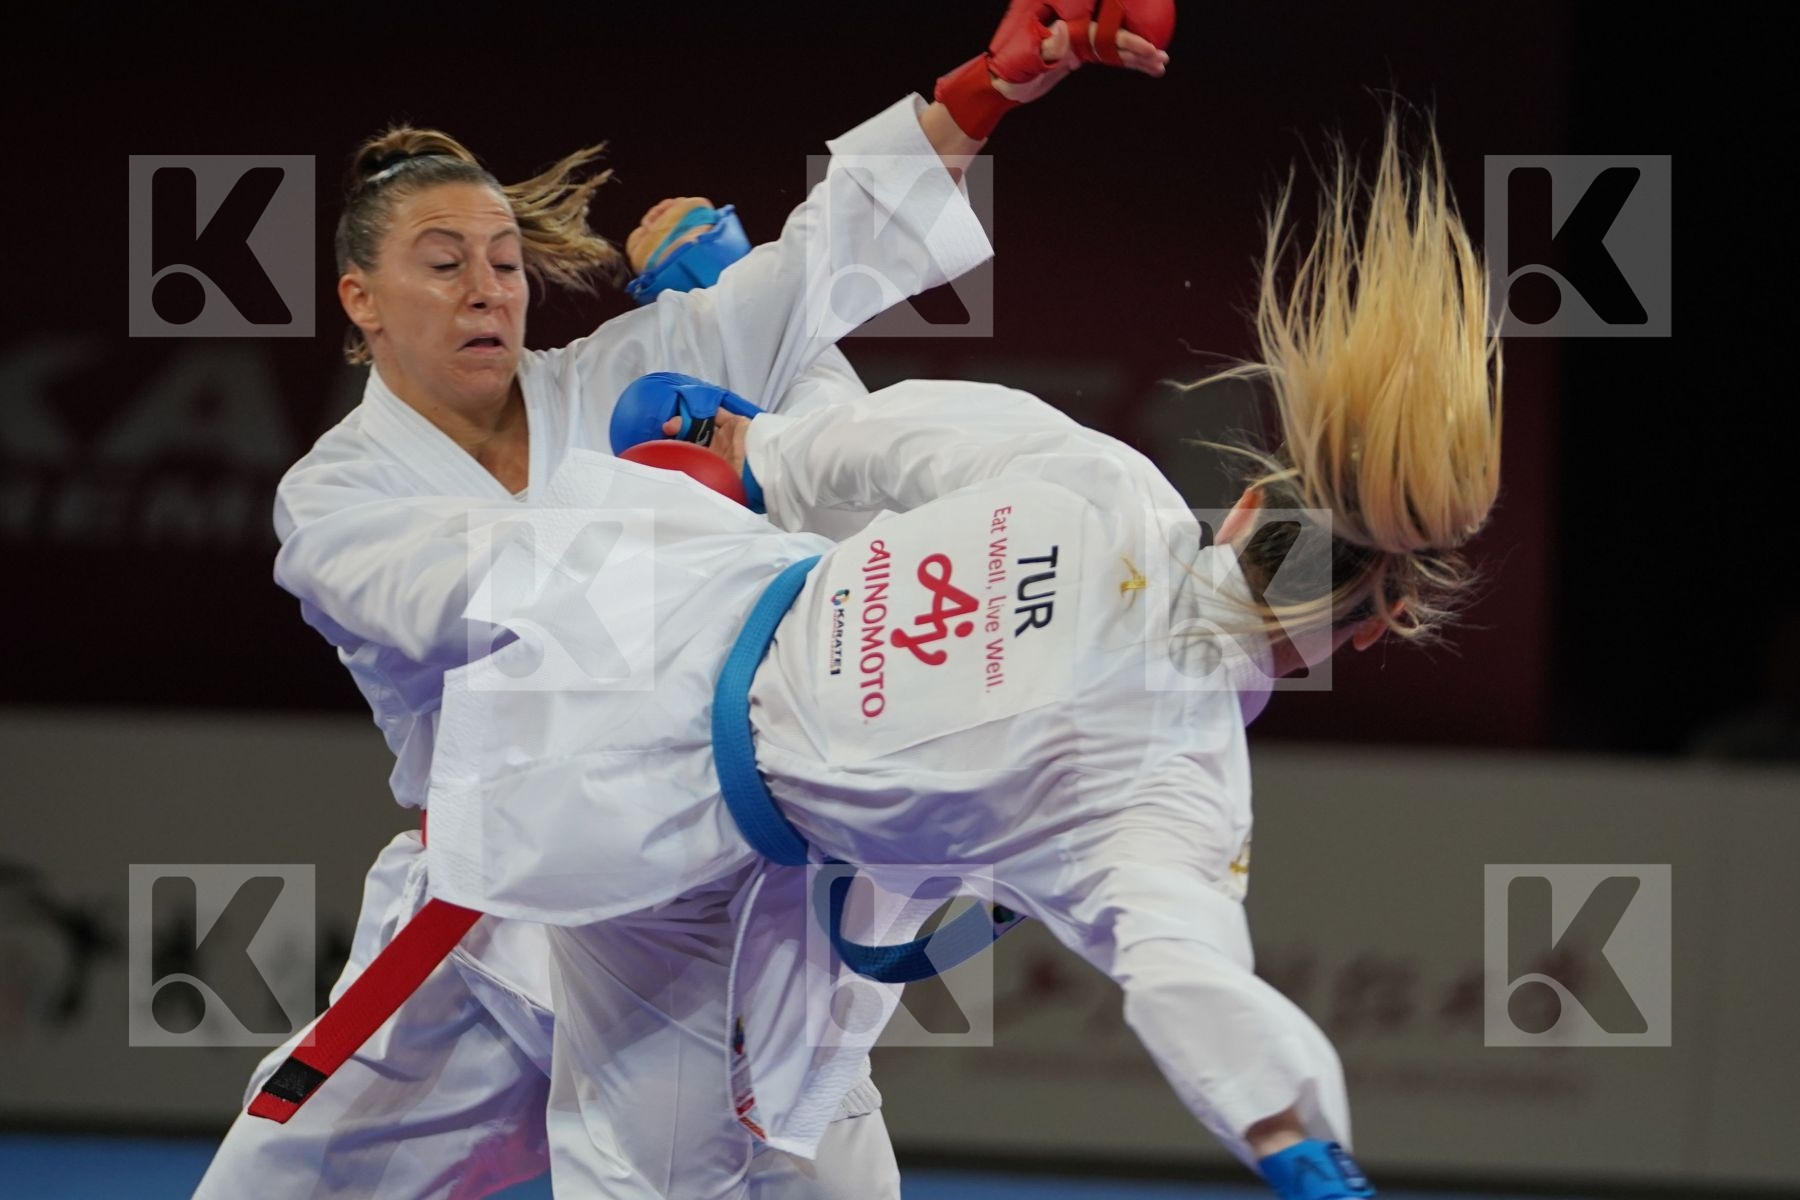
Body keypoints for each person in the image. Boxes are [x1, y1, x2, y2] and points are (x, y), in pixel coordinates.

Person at [420, 105, 1499, 1199]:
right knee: (672, 1170)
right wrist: (1291, 1138)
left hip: (658, 622)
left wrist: (745, 401)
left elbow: (888, 446)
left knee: (803, 1155)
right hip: (695, 851)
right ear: (1370, 626)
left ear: (1248, 507)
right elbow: (1186, 969)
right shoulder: (1169, 784)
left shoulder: (1111, 488)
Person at [194, 6, 1174, 1198]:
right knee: (265, 1187)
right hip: (493, 919)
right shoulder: (336, 495)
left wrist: (987, 89)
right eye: (443, 266)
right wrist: (688, 488)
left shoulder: (613, 375)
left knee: (826, 1177)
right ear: (360, 299)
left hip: (701, 909)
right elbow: (472, 603)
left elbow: (815, 268)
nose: (485, 291)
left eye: (503, 263)